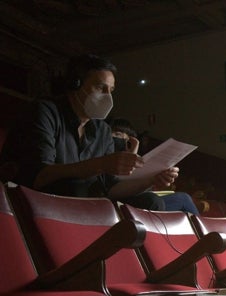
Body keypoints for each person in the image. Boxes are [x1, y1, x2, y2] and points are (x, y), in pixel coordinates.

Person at [0, 54, 178, 210]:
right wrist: (100, 164)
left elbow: (110, 189)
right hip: (34, 200)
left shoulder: (102, 130)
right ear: (75, 84)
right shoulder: (44, 112)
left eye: (111, 90)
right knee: (77, 188)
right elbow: (38, 176)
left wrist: (151, 179)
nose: (107, 96)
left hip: (83, 204)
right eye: (100, 88)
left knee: (151, 201)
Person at [109, 117, 199, 214]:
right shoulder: (103, 156)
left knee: (183, 198)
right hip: (117, 200)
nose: (122, 142)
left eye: (127, 140)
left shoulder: (135, 156)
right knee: (154, 201)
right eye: (117, 135)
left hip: (135, 196)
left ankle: (209, 229)